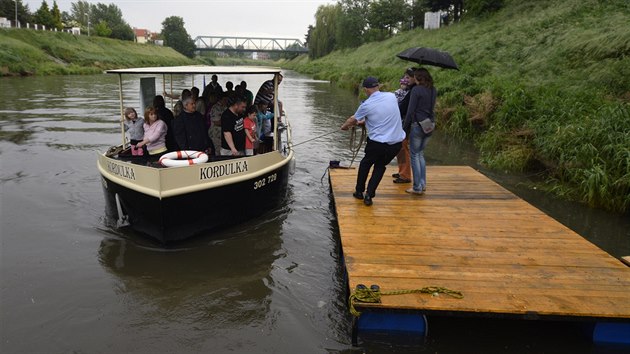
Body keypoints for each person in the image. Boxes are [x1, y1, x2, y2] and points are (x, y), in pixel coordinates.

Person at [341, 77, 405, 206]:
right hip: (396, 143)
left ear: (365, 89)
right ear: (378, 86)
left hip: (377, 144)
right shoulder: (391, 96)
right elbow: (384, 114)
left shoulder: (366, 105)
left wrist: (345, 127)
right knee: (380, 166)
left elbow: (352, 120)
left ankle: (359, 192)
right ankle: (369, 195)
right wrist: (366, 122)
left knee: (365, 164)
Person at [403, 68, 437, 195]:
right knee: (420, 154)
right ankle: (422, 184)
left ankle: (417, 187)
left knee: (414, 155)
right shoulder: (433, 89)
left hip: (418, 125)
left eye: (415, 77)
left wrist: (404, 129)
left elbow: (411, 111)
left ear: (418, 78)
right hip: (430, 124)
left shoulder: (416, 90)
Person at [393, 68, 417, 184]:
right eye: (405, 77)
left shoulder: (414, 91)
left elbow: (404, 107)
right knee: (400, 148)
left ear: (414, 78)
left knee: (403, 148)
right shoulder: (410, 90)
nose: (405, 80)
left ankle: (405, 175)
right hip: (405, 122)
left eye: (408, 77)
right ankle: (402, 171)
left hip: (407, 124)